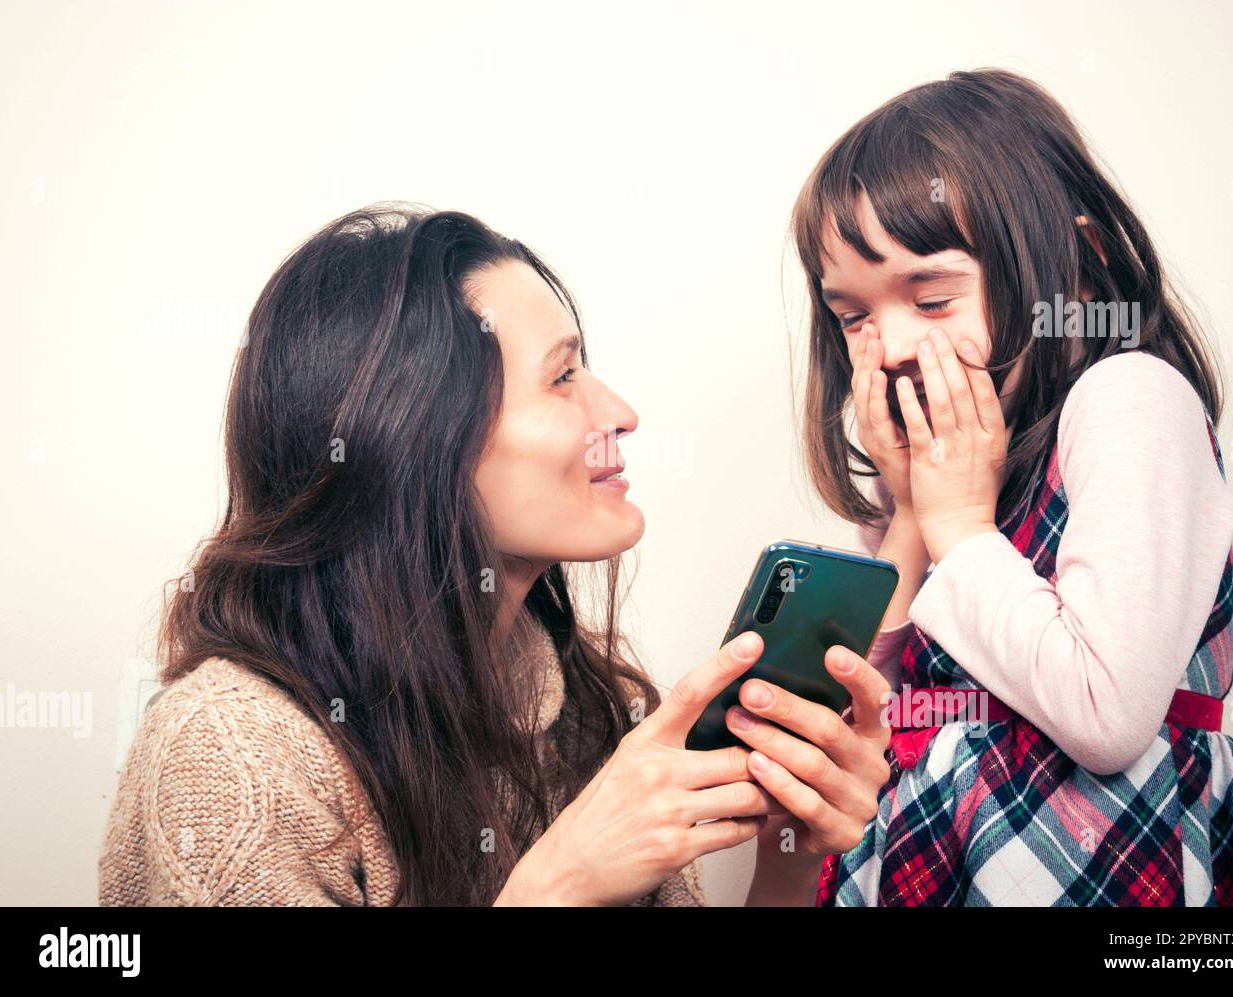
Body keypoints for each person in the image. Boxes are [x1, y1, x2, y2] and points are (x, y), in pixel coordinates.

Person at [98, 204, 893, 906]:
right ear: (410, 440)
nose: (619, 411)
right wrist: (563, 882)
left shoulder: (589, 699)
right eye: (563, 376)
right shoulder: (233, 755)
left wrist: (789, 856)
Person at [791, 68, 1233, 905]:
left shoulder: (1128, 396)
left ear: (1080, 271)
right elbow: (872, 710)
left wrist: (957, 524)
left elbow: (1105, 713)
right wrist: (911, 513)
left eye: (933, 295)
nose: (892, 343)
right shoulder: (952, 474)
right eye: (853, 315)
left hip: (1105, 863)